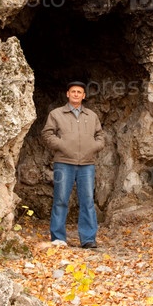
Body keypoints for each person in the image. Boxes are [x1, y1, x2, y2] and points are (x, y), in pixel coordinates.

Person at [42, 81, 105, 249]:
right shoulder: (56, 114)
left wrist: (94, 147)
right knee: (61, 199)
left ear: (84, 96)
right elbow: (47, 134)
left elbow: (100, 136)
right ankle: (58, 238)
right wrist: (62, 145)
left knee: (87, 201)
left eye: (79, 92)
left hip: (87, 164)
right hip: (63, 163)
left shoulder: (91, 116)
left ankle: (88, 239)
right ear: (67, 94)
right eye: (73, 91)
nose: (76, 94)